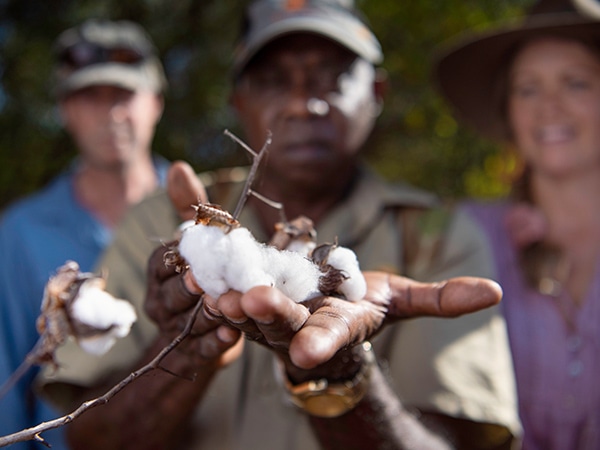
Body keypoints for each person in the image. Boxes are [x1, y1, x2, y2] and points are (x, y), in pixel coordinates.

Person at [38, 1, 521, 449]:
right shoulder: (163, 220)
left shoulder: (438, 239)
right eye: (272, 79)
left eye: (330, 77)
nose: (300, 103)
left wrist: (341, 378)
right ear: (239, 100)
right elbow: (89, 438)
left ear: (376, 93)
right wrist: (184, 348)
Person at [434, 0, 600, 448]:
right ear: (508, 111)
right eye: (528, 89)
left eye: (576, 83)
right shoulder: (468, 236)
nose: (549, 106)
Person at [0, 19, 170, 449]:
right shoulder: (20, 234)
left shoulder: (208, 217)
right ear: (64, 110)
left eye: (124, 95)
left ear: (156, 103)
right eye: (90, 97)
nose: (111, 114)